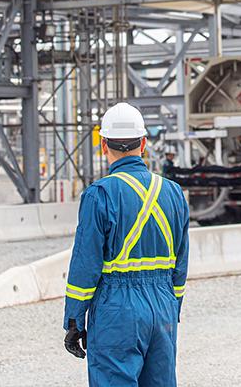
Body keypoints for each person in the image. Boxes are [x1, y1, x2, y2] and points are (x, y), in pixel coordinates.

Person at [62, 103, 190, 386]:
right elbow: (180, 264)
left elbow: (85, 265)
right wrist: (172, 305)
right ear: (143, 143)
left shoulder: (99, 194)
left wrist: (73, 319)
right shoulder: (173, 193)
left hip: (117, 310)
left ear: (103, 144)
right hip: (162, 306)